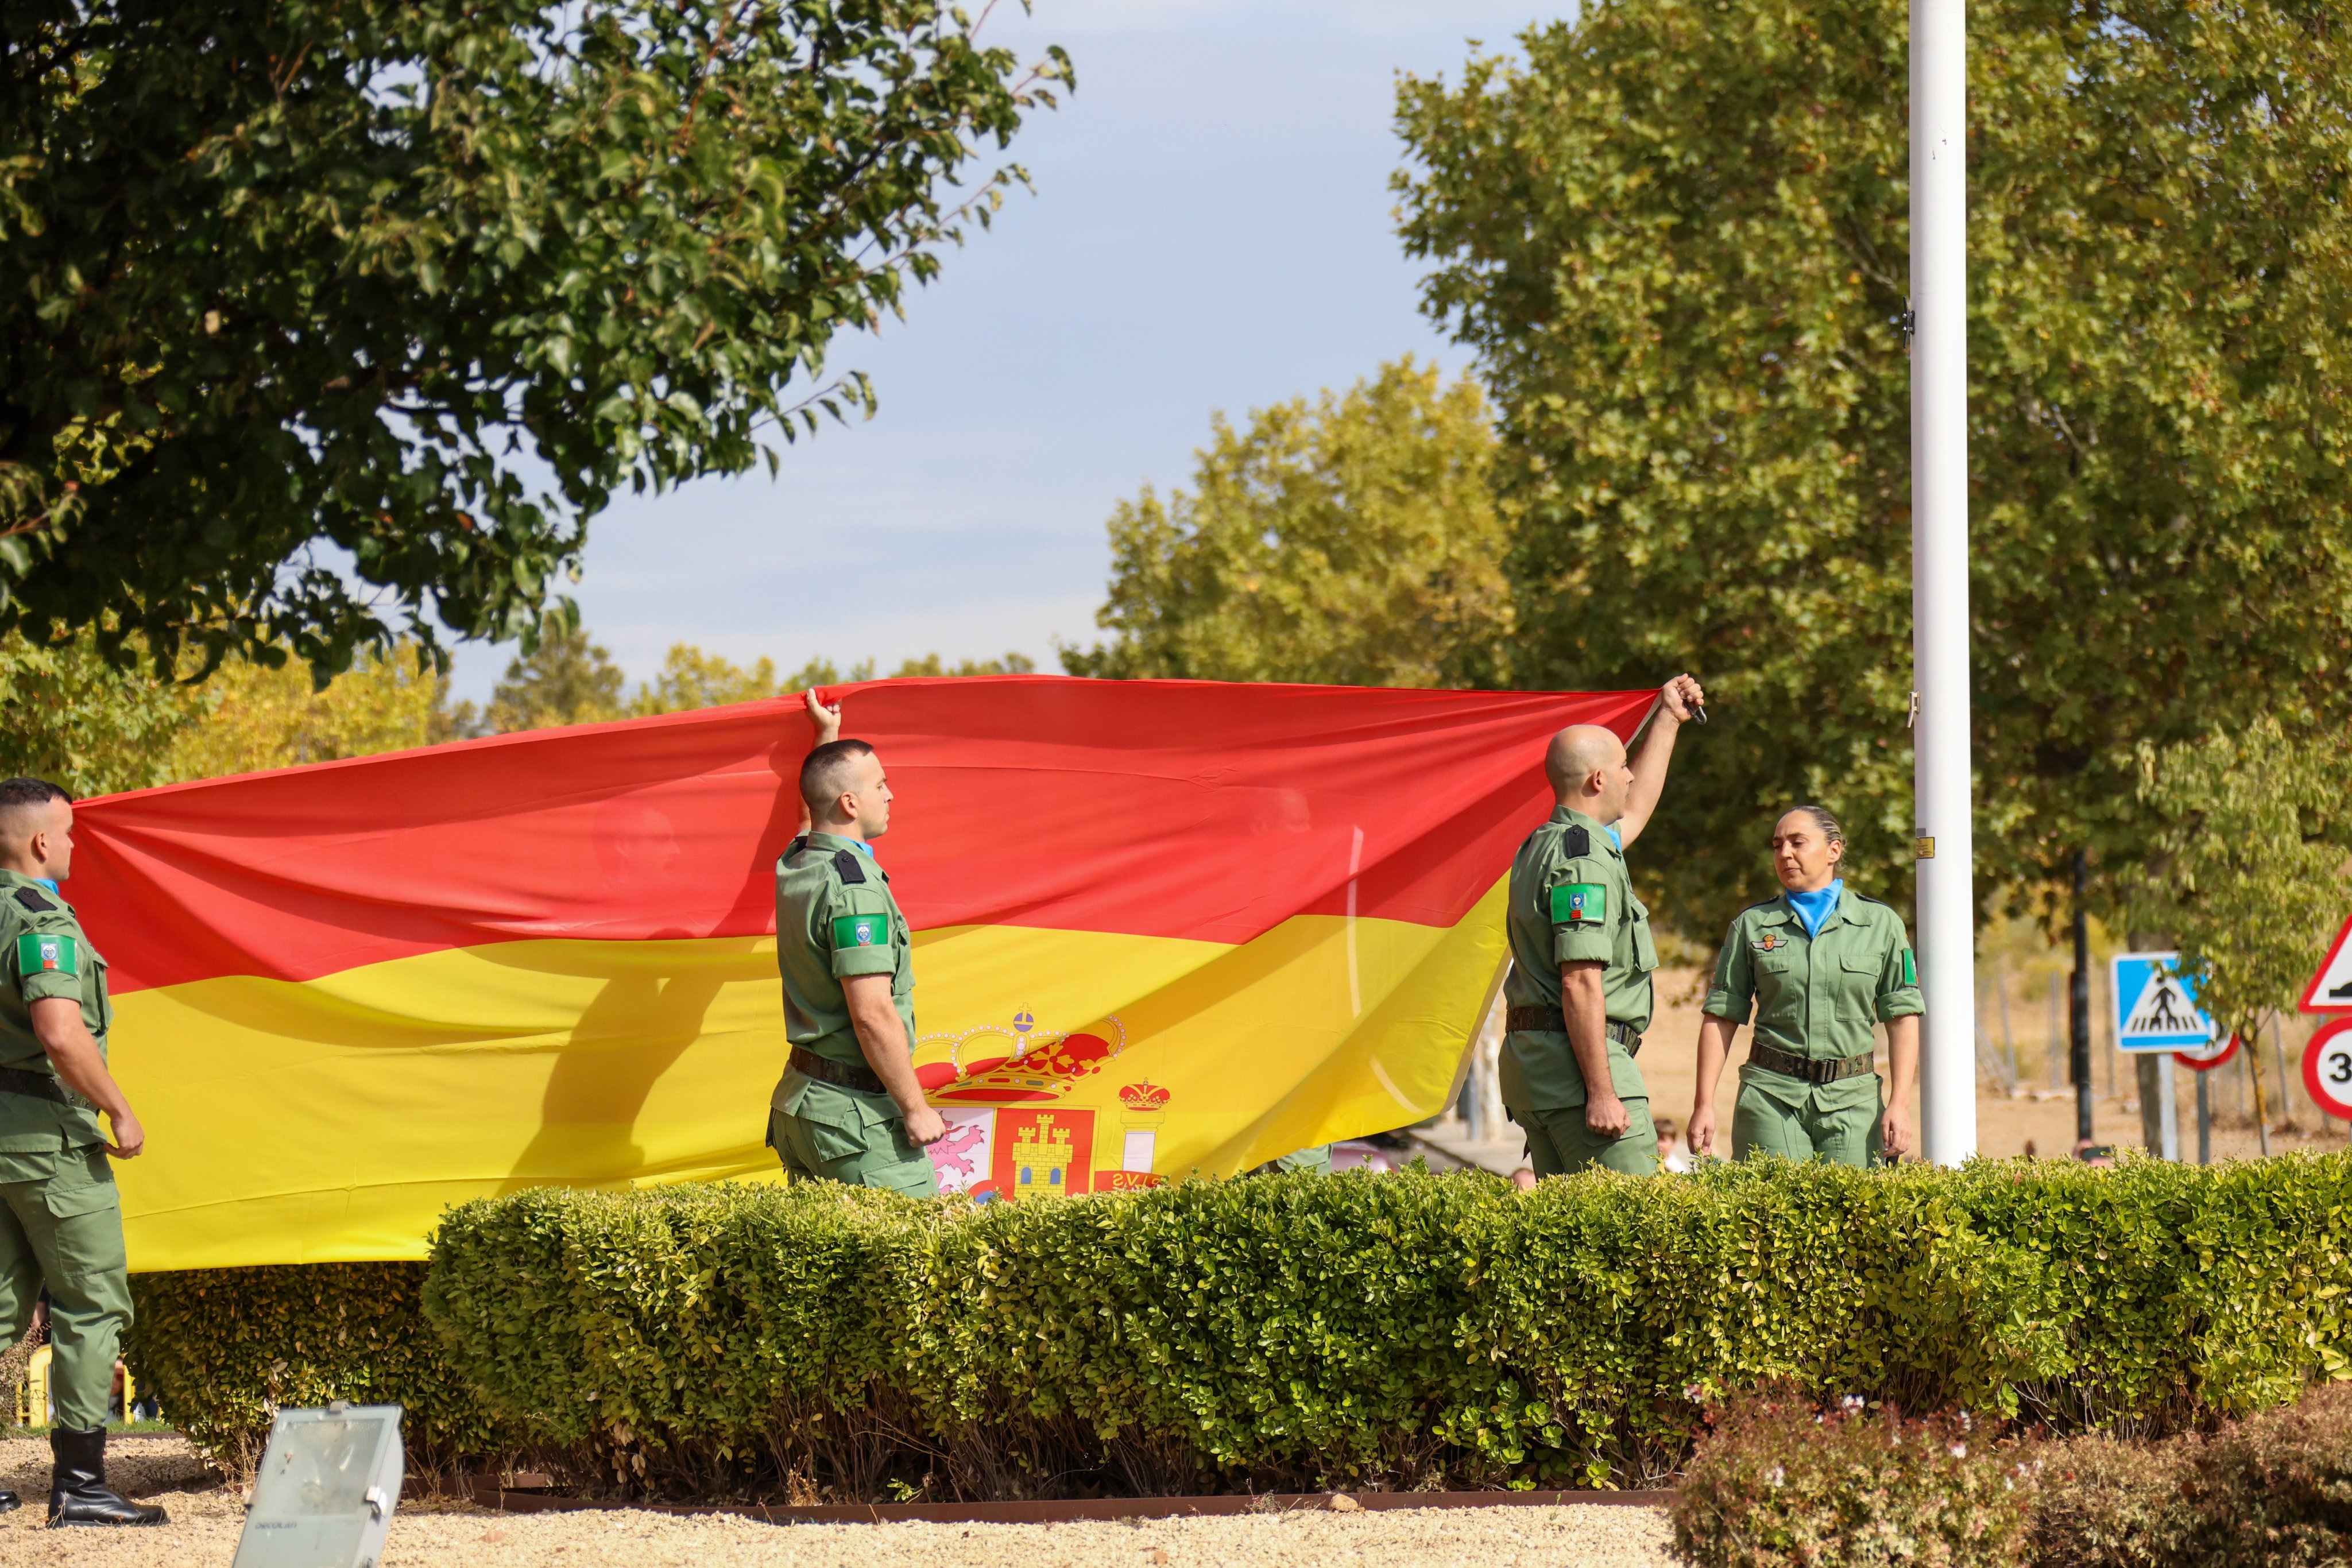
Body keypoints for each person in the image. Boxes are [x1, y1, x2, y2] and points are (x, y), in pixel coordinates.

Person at [0, 777, 165, 1525]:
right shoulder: (40, 918)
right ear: (40, 842)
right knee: (91, 1302)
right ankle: (82, 1484)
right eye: (67, 833)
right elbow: (62, 1030)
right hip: (47, 1138)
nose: (70, 845)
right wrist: (119, 1106)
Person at [1498, 677, 1707, 1177]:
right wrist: (1602, 1091)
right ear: (1597, 780)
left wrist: (1668, 718)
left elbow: (1635, 812)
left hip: (1539, 1070)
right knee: (1647, 1233)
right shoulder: (1584, 860)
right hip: (1579, 1073)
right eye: (1621, 768)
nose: (1630, 777)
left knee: (1573, 1242)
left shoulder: (1549, 844)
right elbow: (1580, 979)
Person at [765, 697, 947, 1193]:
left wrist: (827, 736)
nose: (890, 794)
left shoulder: (800, 860)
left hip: (803, 1109)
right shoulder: (854, 889)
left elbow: (812, 808)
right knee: (917, 1260)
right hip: (854, 1120)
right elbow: (871, 1014)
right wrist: (916, 1110)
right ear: (850, 803)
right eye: (881, 785)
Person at [1687, 806, 1923, 1167]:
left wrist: (1900, 1104)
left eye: (1798, 843)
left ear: (1834, 850)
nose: (1785, 854)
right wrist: (1704, 1104)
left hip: (1854, 1102)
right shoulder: (1753, 925)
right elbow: (1722, 1016)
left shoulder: (1880, 924)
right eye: (1777, 845)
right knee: (1770, 1215)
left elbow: (1903, 1015)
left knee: (1854, 1218)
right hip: (1771, 1097)